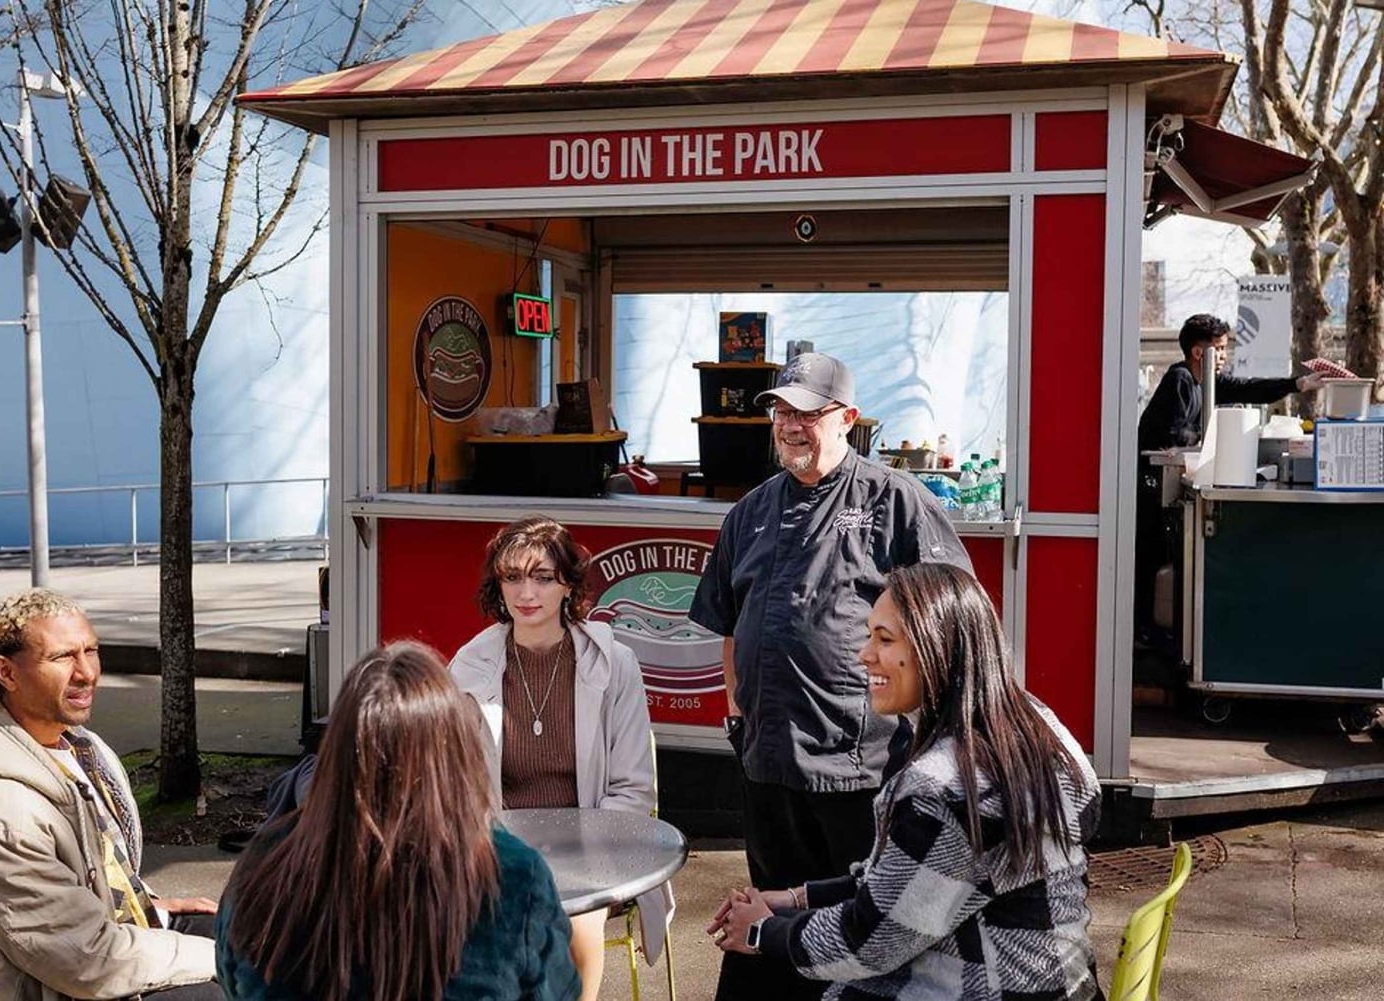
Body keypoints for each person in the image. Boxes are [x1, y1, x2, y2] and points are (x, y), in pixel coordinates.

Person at [688, 351, 974, 1001]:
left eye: (807, 413)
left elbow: (952, 618)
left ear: (846, 417)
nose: (790, 424)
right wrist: (738, 714)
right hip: (768, 764)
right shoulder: (750, 512)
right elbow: (730, 620)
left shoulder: (898, 502)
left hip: (863, 768)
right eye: (781, 411)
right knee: (771, 915)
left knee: (864, 927)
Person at [708, 563, 1104, 1001]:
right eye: (869, 634)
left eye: (885, 639)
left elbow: (869, 943)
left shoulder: (945, 790)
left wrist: (764, 933)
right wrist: (795, 899)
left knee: (757, 964)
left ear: (937, 647)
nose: (865, 655)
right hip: (1057, 980)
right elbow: (907, 882)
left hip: (990, 986)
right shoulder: (1035, 727)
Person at [0, 588, 219, 1000]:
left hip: (113, 942)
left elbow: (92, 872)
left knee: (280, 938)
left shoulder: (73, 749)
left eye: (91, 650)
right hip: (76, 983)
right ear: (7, 673)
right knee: (254, 979)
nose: (86, 672)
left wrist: (151, 905)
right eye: (62, 657)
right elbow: (85, 962)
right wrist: (217, 959)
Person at [215, 641, 580, 1001]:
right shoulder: (513, 875)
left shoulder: (265, 864)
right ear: (456, 753)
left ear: (336, 750)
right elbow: (557, 988)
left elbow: (232, 975)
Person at [450, 516, 662, 1001]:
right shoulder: (467, 666)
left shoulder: (614, 664)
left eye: (543, 577)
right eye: (513, 577)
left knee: (577, 917)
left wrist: (582, 858)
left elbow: (633, 789)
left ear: (568, 584)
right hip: (499, 846)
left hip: (592, 848)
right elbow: (455, 786)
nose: (527, 592)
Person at [1134, 313, 1324, 638]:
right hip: (1151, 487)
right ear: (1199, 352)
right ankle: (1144, 631)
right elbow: (1174, 433)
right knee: (1151, 559)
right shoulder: (1180, 379)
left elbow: (1248, 388)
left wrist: (1297, 384)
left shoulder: (1206, 382)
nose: (1224, 356)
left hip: (1167, 485)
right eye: (1220, 349)